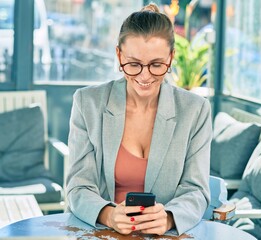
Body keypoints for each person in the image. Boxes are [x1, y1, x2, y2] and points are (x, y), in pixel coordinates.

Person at [66, 3, 212, 236]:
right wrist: (109, 215)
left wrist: (168, 218)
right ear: (118, 55)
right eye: (133, 64)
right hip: (101, 233)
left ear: (171, 57)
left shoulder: (195, 110)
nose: (145, 76)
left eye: (156, 65)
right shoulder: (88, 103)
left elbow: (196, 190)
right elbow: (78, 185)